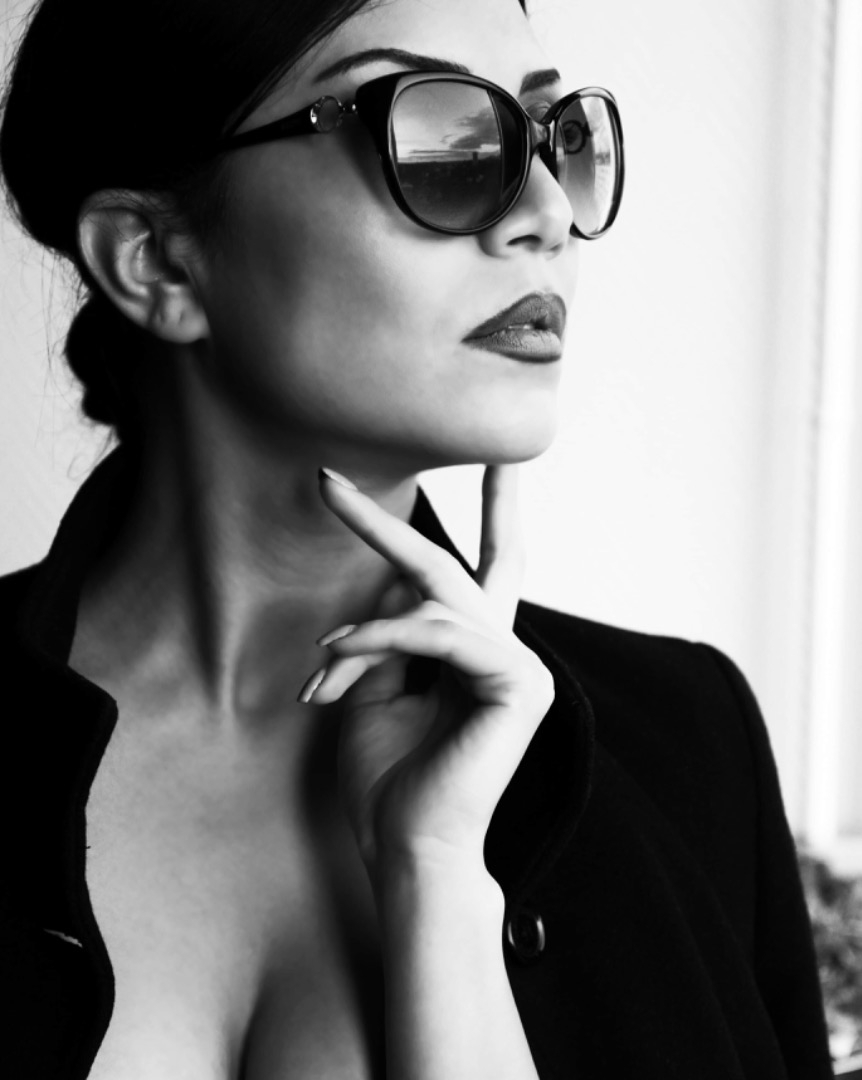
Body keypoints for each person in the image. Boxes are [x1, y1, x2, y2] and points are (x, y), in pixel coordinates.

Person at [0, 0, 835, 1076]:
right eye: (446, 143)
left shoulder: (687, 747)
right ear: (159, 261)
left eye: (556, 138)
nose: (546, 213)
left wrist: (438, 877)